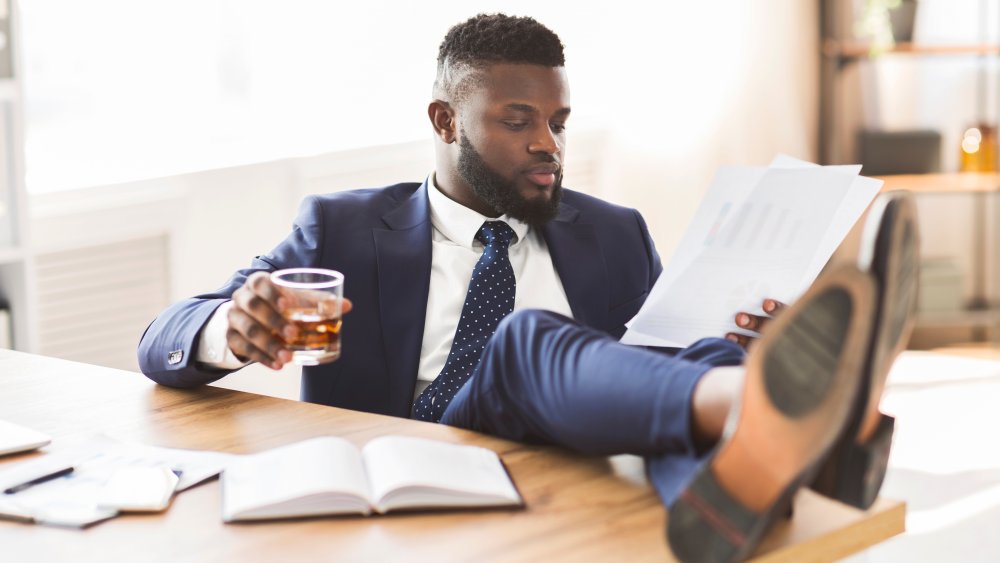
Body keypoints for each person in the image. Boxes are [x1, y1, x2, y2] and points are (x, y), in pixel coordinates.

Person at [138, 14, 918, 561]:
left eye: (559, 121)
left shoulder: (612, 232)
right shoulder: (341, 229)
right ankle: (783, 414)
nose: (548, 144)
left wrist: (749, 341)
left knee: (702, 353)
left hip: (563, 476)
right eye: (519, 121)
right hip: (415, 468)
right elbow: (163, 337)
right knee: (523, 341)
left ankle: (764, 458)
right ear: (446, 120)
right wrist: (228, 328)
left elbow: (647, 374)